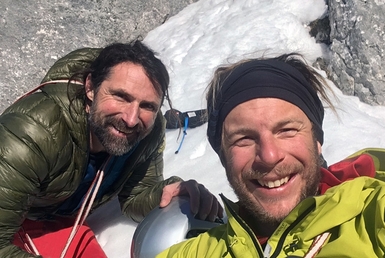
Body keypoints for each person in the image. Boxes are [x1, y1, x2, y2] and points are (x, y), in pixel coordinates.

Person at [157, 53, 385, 257]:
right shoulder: (200, 252)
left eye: (286, 130)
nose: (269, 155)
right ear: (223, 156)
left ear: (317, 141)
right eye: (244, 139)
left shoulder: (380, 221)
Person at [0, 40, 223, 258]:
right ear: (90, 88)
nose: (131, 119)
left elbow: (135, 197)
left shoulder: (148, 133)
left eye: (147, 106)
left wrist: (168, 194)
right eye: (121, 97)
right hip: (19, 218)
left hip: (60, 220)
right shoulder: (31, 134)